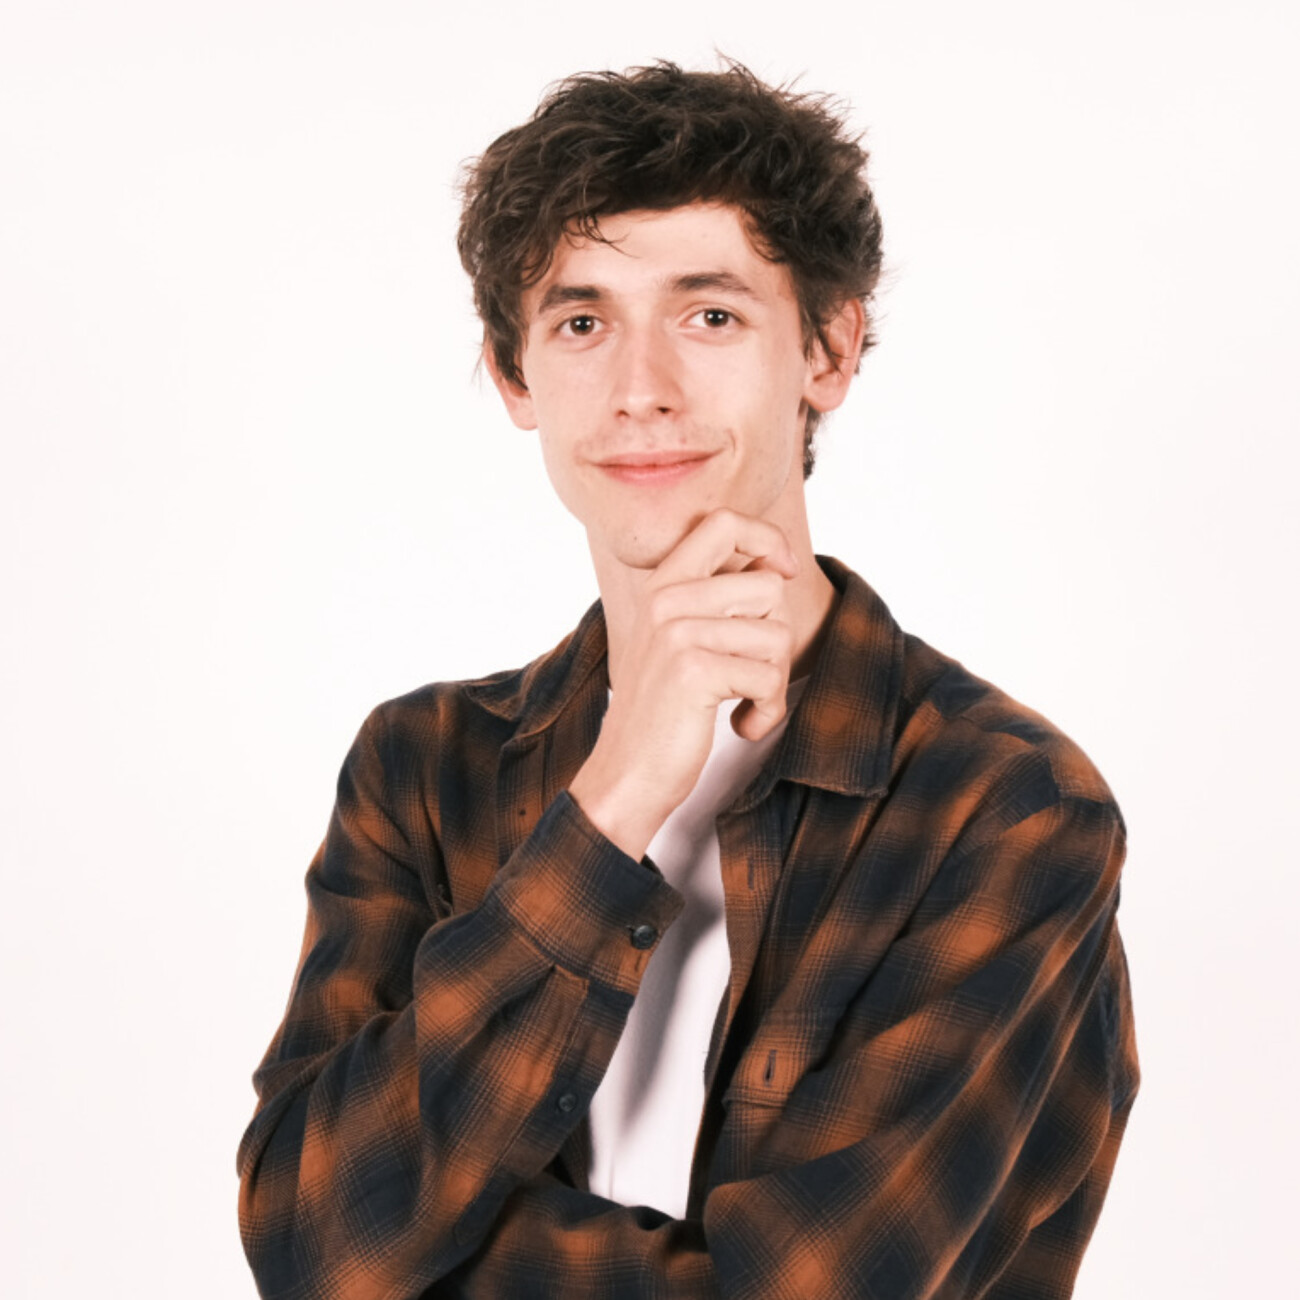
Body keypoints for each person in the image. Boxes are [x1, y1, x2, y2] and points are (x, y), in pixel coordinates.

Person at [236, 58, 1139, 1299]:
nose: (640, 391)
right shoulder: (422, 767)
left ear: (828, 349)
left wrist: (414, 1264)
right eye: (582, 322)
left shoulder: (1004, 809)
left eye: (708, 316)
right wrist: (613, 799)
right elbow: (304, 1240)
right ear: (513, 374)